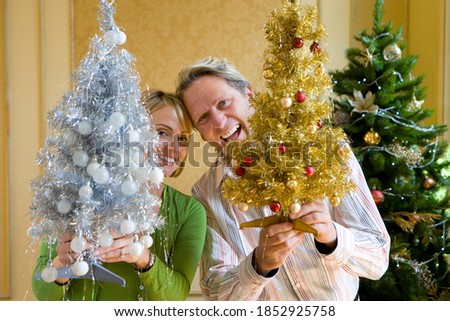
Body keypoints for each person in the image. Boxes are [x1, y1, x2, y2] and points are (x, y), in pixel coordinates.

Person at [175, 56, 391, 301]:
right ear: (199, 132)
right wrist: (258, 266)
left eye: (224, 103)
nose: (219, 121)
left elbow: (378, 258)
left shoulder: (326, 149)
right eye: (203, 118)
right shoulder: (206, 193)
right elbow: (216, 296)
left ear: (249, 95)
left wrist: (332, 237)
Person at [32, 90, 207, 300]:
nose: (174, 149)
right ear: (128, 134)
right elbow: (43, 293)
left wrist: (143, 258)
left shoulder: (190, 211)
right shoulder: (77, 195)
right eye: (161, 133)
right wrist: (62, 263)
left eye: (183, 139)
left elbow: (175, 297)